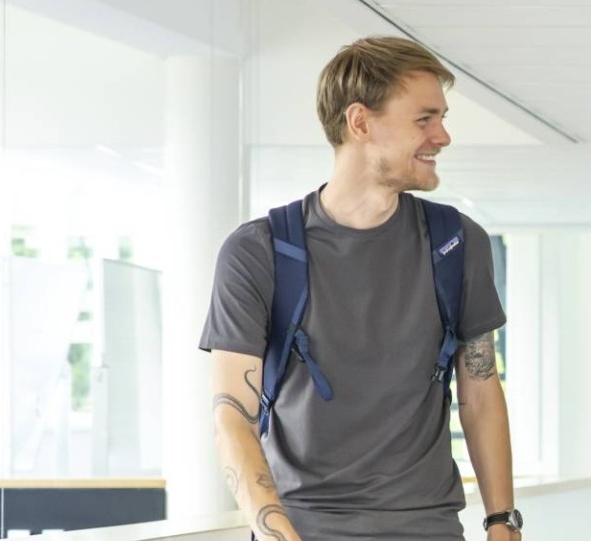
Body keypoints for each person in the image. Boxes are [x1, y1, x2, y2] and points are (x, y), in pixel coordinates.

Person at [200, 36, 521, 540]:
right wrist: (277, 534)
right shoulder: (257, 252)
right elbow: (231, 417)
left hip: (430, 528)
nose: (443, 136)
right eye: (424, 119)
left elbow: (480, 391)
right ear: (360, 122)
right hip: (303, 527)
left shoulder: (458, 244)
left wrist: (503, 523)